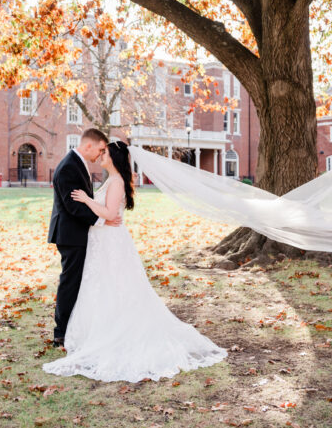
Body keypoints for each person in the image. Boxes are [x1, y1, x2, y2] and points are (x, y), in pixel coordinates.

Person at [43, 140, 227, 382]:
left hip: (111, 241)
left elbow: (110, 214)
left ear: (114, 157)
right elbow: (107, 212)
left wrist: (87, 200)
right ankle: (94, 330)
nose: (101, 155)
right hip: (102, 241)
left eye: (105, 152)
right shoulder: (112, 179)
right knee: (102, 286)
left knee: (116, 285)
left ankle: (114, 332)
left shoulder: (117, 181)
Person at [48, 128, 122, 348]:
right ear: (89, 145)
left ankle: (72, 327)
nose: (100, 155)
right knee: (70, 283)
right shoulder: (68, 167)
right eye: (99, 150)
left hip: (77, 233)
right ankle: (60, 333)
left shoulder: (77, 163)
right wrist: (103, 221)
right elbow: (72, 207)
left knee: (78, 282)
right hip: (70, 235)